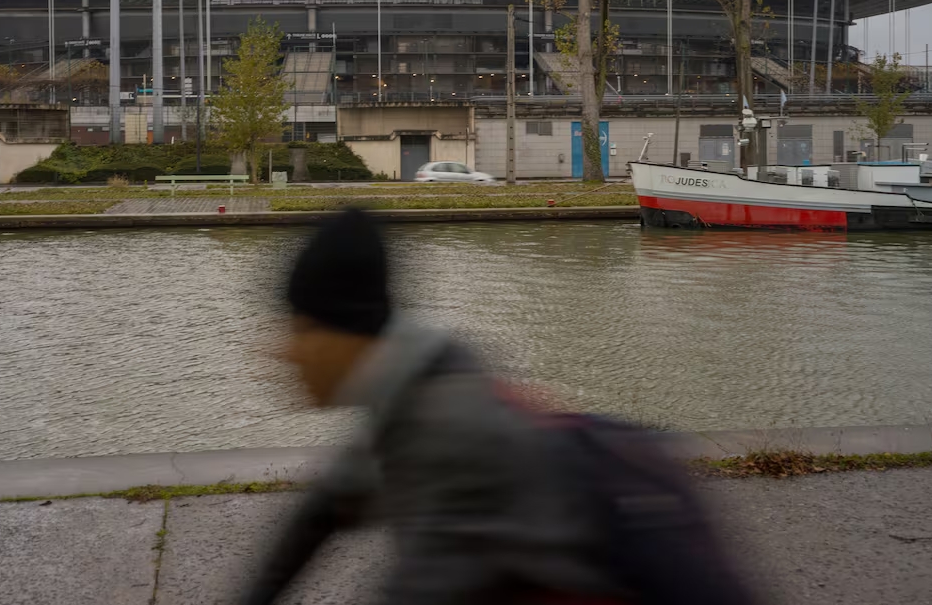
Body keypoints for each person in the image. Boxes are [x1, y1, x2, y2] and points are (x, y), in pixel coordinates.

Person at [242, 208, 754, 605]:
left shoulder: (451, 435)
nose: (278, 350)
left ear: (344, 337)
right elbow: (320, 513)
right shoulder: (407, 389)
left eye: (299, 328)